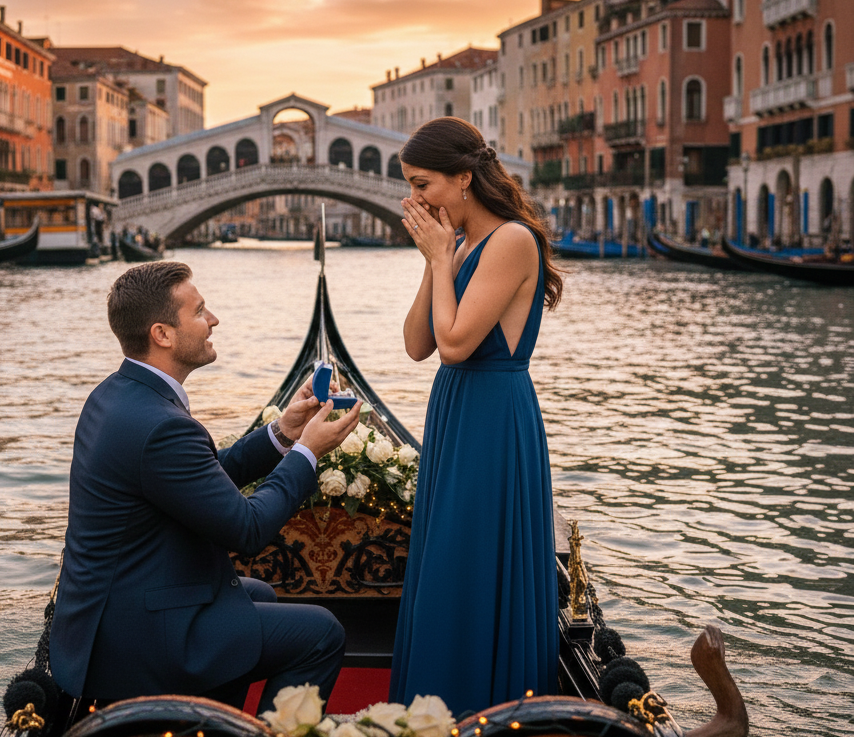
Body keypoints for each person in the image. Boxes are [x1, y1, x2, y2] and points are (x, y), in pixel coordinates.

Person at [49, 260, 362, 710]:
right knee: (322, 633)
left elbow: (203, 475)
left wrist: (284, 432)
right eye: (200, 311)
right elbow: (248, 530)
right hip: (135, 640)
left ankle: (207, 714)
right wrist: (308, 453)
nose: (213, 320)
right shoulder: (160, 425)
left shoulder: (115, 395)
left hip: (113, 612)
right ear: (163, 334)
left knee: (259, 593)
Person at [389, 118, 563, 713]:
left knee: (473, 553)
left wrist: (443, 262)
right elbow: (418, 345)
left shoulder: (513, 241)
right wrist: (435, 259)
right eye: (412, 187)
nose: (415, 200)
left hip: (493, 415)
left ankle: (482, 703)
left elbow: (458, 343)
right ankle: (433, 704)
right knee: (444, 555)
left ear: (463, 178)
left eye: (423, 184)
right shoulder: (458, 245)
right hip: (455, 410)